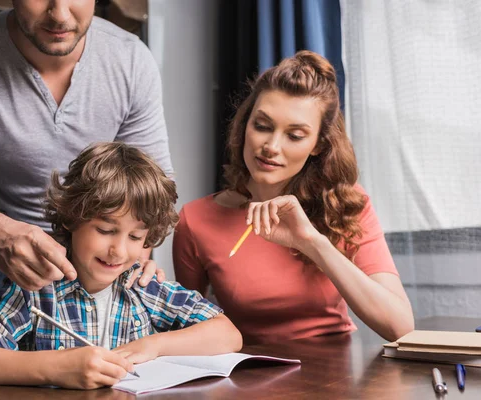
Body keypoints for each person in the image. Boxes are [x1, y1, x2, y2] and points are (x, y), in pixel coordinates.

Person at [0, 0, 172, 306]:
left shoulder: (131, 59)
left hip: (106, 255)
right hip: (7, 255)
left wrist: (129, 254)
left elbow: (153, 185)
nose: (60, 15)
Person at [0, 142, 242, 389]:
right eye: (105, 230)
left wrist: (156, 345)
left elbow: (228, 334)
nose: (119, 250)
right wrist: (55, 368)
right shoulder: (37, 289)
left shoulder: (143, 287)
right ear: (72, 219)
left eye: (136, 236)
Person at [173, 50, 414, 344]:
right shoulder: (196, 220)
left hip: (339, 378)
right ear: (245, 125)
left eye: (295, 135)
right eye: (262, 126)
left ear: (318, 145)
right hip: (245, 380)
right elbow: (183, 328)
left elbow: (400, 327)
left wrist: (311, 242)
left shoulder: (346, 205)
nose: (271, 146)